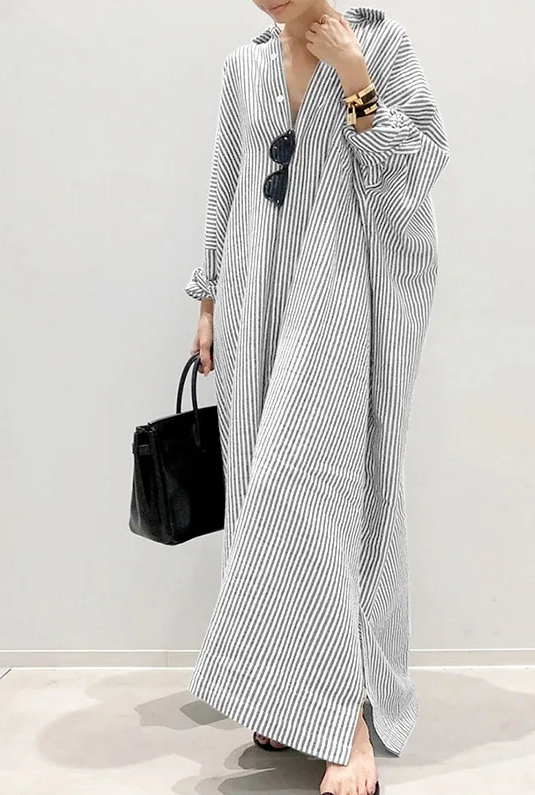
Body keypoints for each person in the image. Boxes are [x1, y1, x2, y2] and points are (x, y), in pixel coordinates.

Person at [185, 3, 450, 794]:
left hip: (340, 290)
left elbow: (419, 165)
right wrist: (207, 301)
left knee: (323, 495)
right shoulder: (244, 66)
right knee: (256, 492)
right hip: (252, 294)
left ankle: (347, 716)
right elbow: (227, 179)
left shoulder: (380, 44)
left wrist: (354, 75)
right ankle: (281, 692)